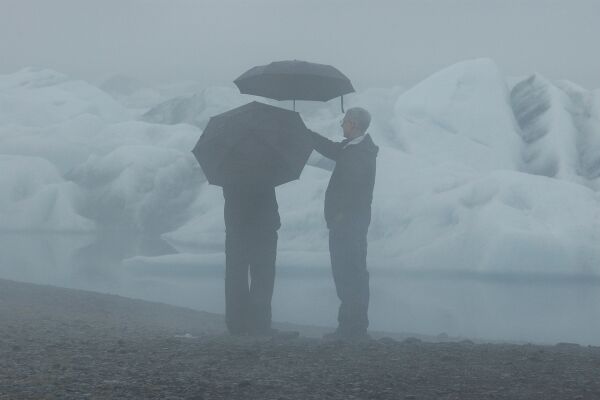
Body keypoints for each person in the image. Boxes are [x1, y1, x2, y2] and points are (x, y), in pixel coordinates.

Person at [306, 107, 378, 340]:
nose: (342, 125)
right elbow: (331, 148)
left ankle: (353, 327)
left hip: (348, 224)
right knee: (349, 272)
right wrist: (305, 133)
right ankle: (350, 325)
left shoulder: (359, 153)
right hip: (348, 222)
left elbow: (353, 189)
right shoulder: (354, 149)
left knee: (349, 272)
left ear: (354, 124)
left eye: (345, 121)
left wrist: (340, 216)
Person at [222, 183, 280, 336]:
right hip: (261, 223)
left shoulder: (228, 165)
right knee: (263, 273)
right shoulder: (265, 163)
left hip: (237, 222)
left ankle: (236, 322)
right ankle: (259, 323)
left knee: (236, 273)